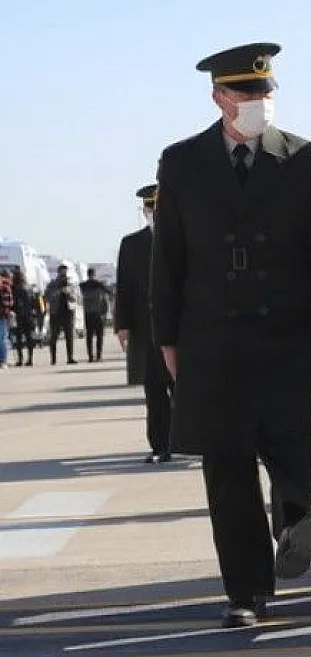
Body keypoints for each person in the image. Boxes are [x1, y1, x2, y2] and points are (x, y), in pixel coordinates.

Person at [150, 42, 311, 628]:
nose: (258, 101)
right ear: (219, 98)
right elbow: (168, 260)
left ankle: (295, 524)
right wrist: (167, 340)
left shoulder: (302, 158)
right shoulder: (182, 162)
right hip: (213, 340)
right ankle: (246, 591)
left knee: (292, 448)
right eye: (246, 92)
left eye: (265, 91)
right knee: (227, 468)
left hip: (287, 334)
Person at [116, 184, 174, 463]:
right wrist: (122, 324)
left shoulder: (183, 238)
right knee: (154, 388)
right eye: (150, 208)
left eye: (159, 207)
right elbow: (124, 287)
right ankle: (160, 445)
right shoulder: (131, 244)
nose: (154, 213)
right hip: (146, 327)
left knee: (185, 389)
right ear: (144, 211)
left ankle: (189, 440)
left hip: (181, 326)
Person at [44, 264, 78, 365]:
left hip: (68, 312)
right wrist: (58, 291)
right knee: (54, 337)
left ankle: (70, 357)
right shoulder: (52, 285)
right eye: (62, 273)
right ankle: (53, 359)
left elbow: (75, 298)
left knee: (69, 336)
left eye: (65, 273)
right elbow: (47, 297)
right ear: (58, 273)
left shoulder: (70, 284)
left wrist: (69, 294)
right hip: (56, 313)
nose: (64, 276)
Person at [79, 269, 112, 362]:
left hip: (88, 312)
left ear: (87, 274)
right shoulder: (99, 284)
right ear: (94, 274)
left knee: (89, 335)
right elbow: (109, 292)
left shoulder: (83, 285)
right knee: (99, 335)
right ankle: (98, 356)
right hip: (98, 313)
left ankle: (90, 356)